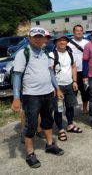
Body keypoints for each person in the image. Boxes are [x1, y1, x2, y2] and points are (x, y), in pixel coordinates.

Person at [11, 27, 64, 168]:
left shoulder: (45, 54)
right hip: (31, 96)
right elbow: (17, 76)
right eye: (35, 36)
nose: (38, 39)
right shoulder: (23, 53)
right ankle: (30, 154)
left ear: (44, 38)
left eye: (40, 37)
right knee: (31, 125)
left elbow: (51, 73)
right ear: (29, 37)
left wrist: (57, 88)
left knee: (48, 120)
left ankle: (50, 145)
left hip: (48, 93)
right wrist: (16, 98)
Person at [49, 33, 82, 141]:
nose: (62, 42)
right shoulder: (52, 55)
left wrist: (75, 81)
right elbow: (50, 72)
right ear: (56, 42)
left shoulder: (70, 53)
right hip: (58, 86)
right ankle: (60, 129)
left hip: (69, 84)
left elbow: (73, 67)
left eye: (64, 40)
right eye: (59, 40)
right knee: (58, 109)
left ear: (67, 42)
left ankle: (70, 125)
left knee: (70, 106)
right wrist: (55, 88)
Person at [68, 25, 89, 114]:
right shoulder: (68, 44)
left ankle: (84, 108)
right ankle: (71, 111)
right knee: (73, 93)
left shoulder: (87, 43)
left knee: (85, 91)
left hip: (85, 72)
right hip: (72, 72)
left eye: (81, 30)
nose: (79, 32)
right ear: (73, 32)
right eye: (77, 30)